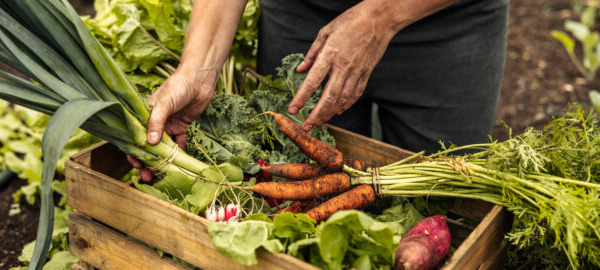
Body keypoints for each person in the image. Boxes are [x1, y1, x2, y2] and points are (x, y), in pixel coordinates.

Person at [128, 0, 509, 181]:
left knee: (447, 198)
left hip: (446, 24)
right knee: (293, 179)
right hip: (304, 16)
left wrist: (380, 16)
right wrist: (199, 67)